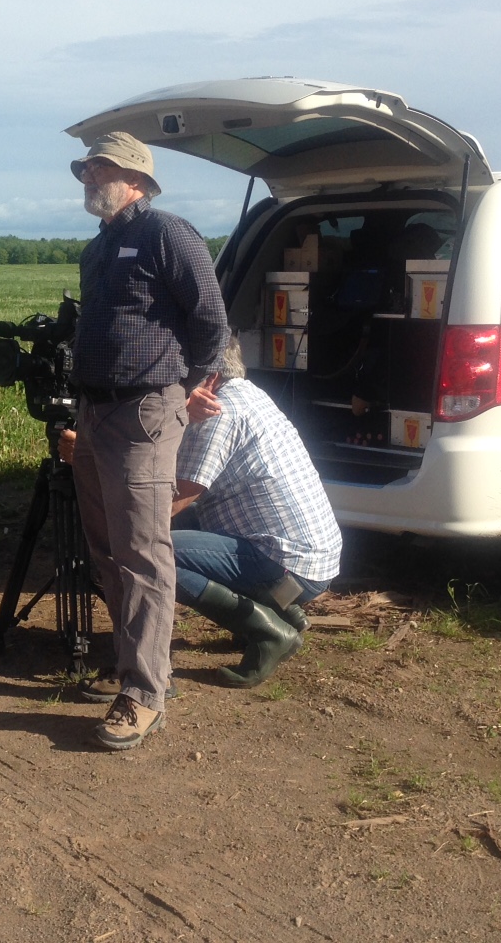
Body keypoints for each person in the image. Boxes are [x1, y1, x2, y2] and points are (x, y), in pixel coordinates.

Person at [68, 131, 229, 751]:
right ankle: (140, 662)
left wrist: (185, 389)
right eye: (85, 169)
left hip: (144, 411)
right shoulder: (99, 248)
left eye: (98, 168)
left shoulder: (167, 233)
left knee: (141, 549)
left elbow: (210, 318)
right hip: (97, 410)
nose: (87, 177)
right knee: (106, 546)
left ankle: (144, 694)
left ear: (134, 177)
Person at [171, 334, 342, 688]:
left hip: (285, 565)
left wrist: (98, 465)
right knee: (180, 529)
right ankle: (282, 611)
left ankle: (267, 632)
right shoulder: (251, 395)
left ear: (211, 377)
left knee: (153, 549)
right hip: (311, 563)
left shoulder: (219, 412)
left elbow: (171, 500)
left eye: (182, 375)